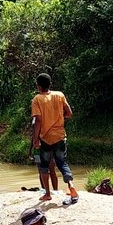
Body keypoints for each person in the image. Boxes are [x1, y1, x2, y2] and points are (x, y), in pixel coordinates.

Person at [31, 73, 78, 204]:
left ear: (38, 86)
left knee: (44, 166)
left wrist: (35, 139)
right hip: (60, 136)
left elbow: (38, 120)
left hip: (45, 138)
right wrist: (60, 118)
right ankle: (71, 186)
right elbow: (69, 113)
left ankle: (47, 194)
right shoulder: (60, 95)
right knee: (62, 163)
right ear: (50, 84)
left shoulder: (37, 99)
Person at [29, 117, 59, 195]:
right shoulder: (34, 119)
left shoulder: (47, 116)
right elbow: (34, 136)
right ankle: (44, 190)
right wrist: (30, 149)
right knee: (41, 170)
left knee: (52, 168)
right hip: (37, 149)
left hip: (48, 146)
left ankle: (55, 190)